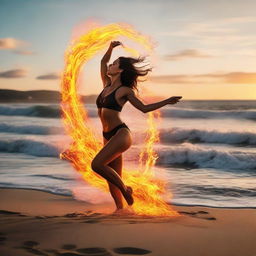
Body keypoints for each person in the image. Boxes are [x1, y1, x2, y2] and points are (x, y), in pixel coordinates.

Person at [91, 41, 181, 213]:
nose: (110, 65)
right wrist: (110, 48)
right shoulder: (106, 86)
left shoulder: (125, 91)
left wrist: (167, 101)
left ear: (121, 70)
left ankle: (126, 190)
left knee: (96, 165)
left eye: (115, 63)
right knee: (111, 177)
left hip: (121, 134)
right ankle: (120, 210)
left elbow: (144, 108)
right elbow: (103, 63)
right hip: (107, 134)